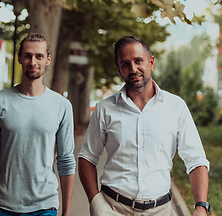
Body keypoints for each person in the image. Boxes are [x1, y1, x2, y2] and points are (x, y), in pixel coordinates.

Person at [78, 36, 210, 216]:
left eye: (138, 61)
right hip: (112, 209)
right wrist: (95, 202)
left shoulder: (175, 106)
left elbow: (196, 160)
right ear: (118, 69)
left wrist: (201, 206)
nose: (133, 69)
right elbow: (87, 157)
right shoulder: (104, 109)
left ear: (151, 62)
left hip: (160, 210)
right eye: (125, 64)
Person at [0, 33, 76, 216]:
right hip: (5, 207)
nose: (33, 61)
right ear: (19, 58)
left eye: (39, 56)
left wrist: (66, 212)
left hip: (45, 206)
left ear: (48, 60)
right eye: (28, 55)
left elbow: (66, 160)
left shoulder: (61, 105)